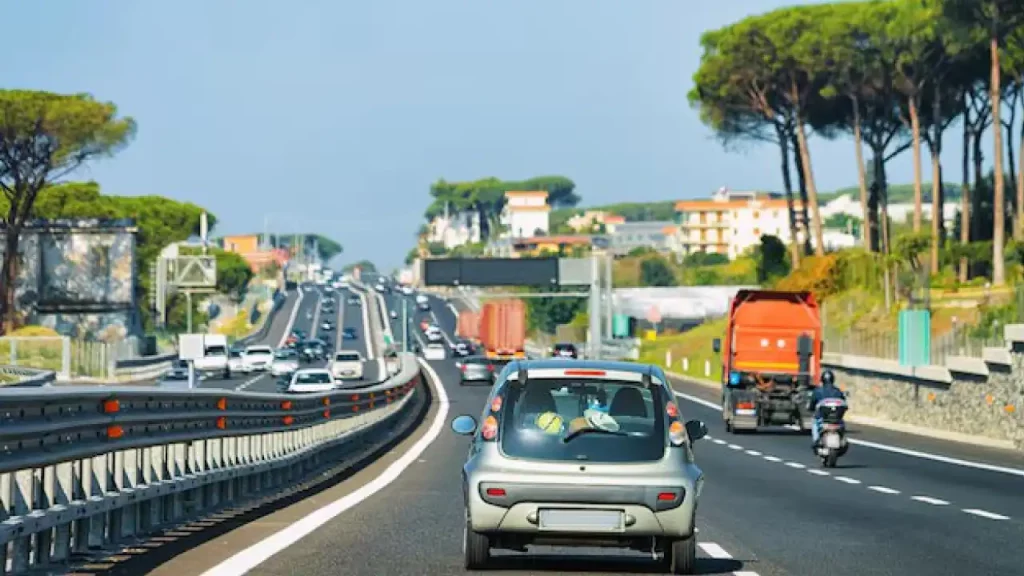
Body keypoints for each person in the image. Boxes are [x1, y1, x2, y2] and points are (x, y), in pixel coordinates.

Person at [810, 369, 846, 449]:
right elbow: (844, 403)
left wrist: (811, 408)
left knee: (814, 423)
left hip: (823, 419)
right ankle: (842, 438)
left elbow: (812, 404)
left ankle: (816, 440)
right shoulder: (838, 391)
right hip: (837, 419)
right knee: (842, 423)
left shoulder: (817, 391)